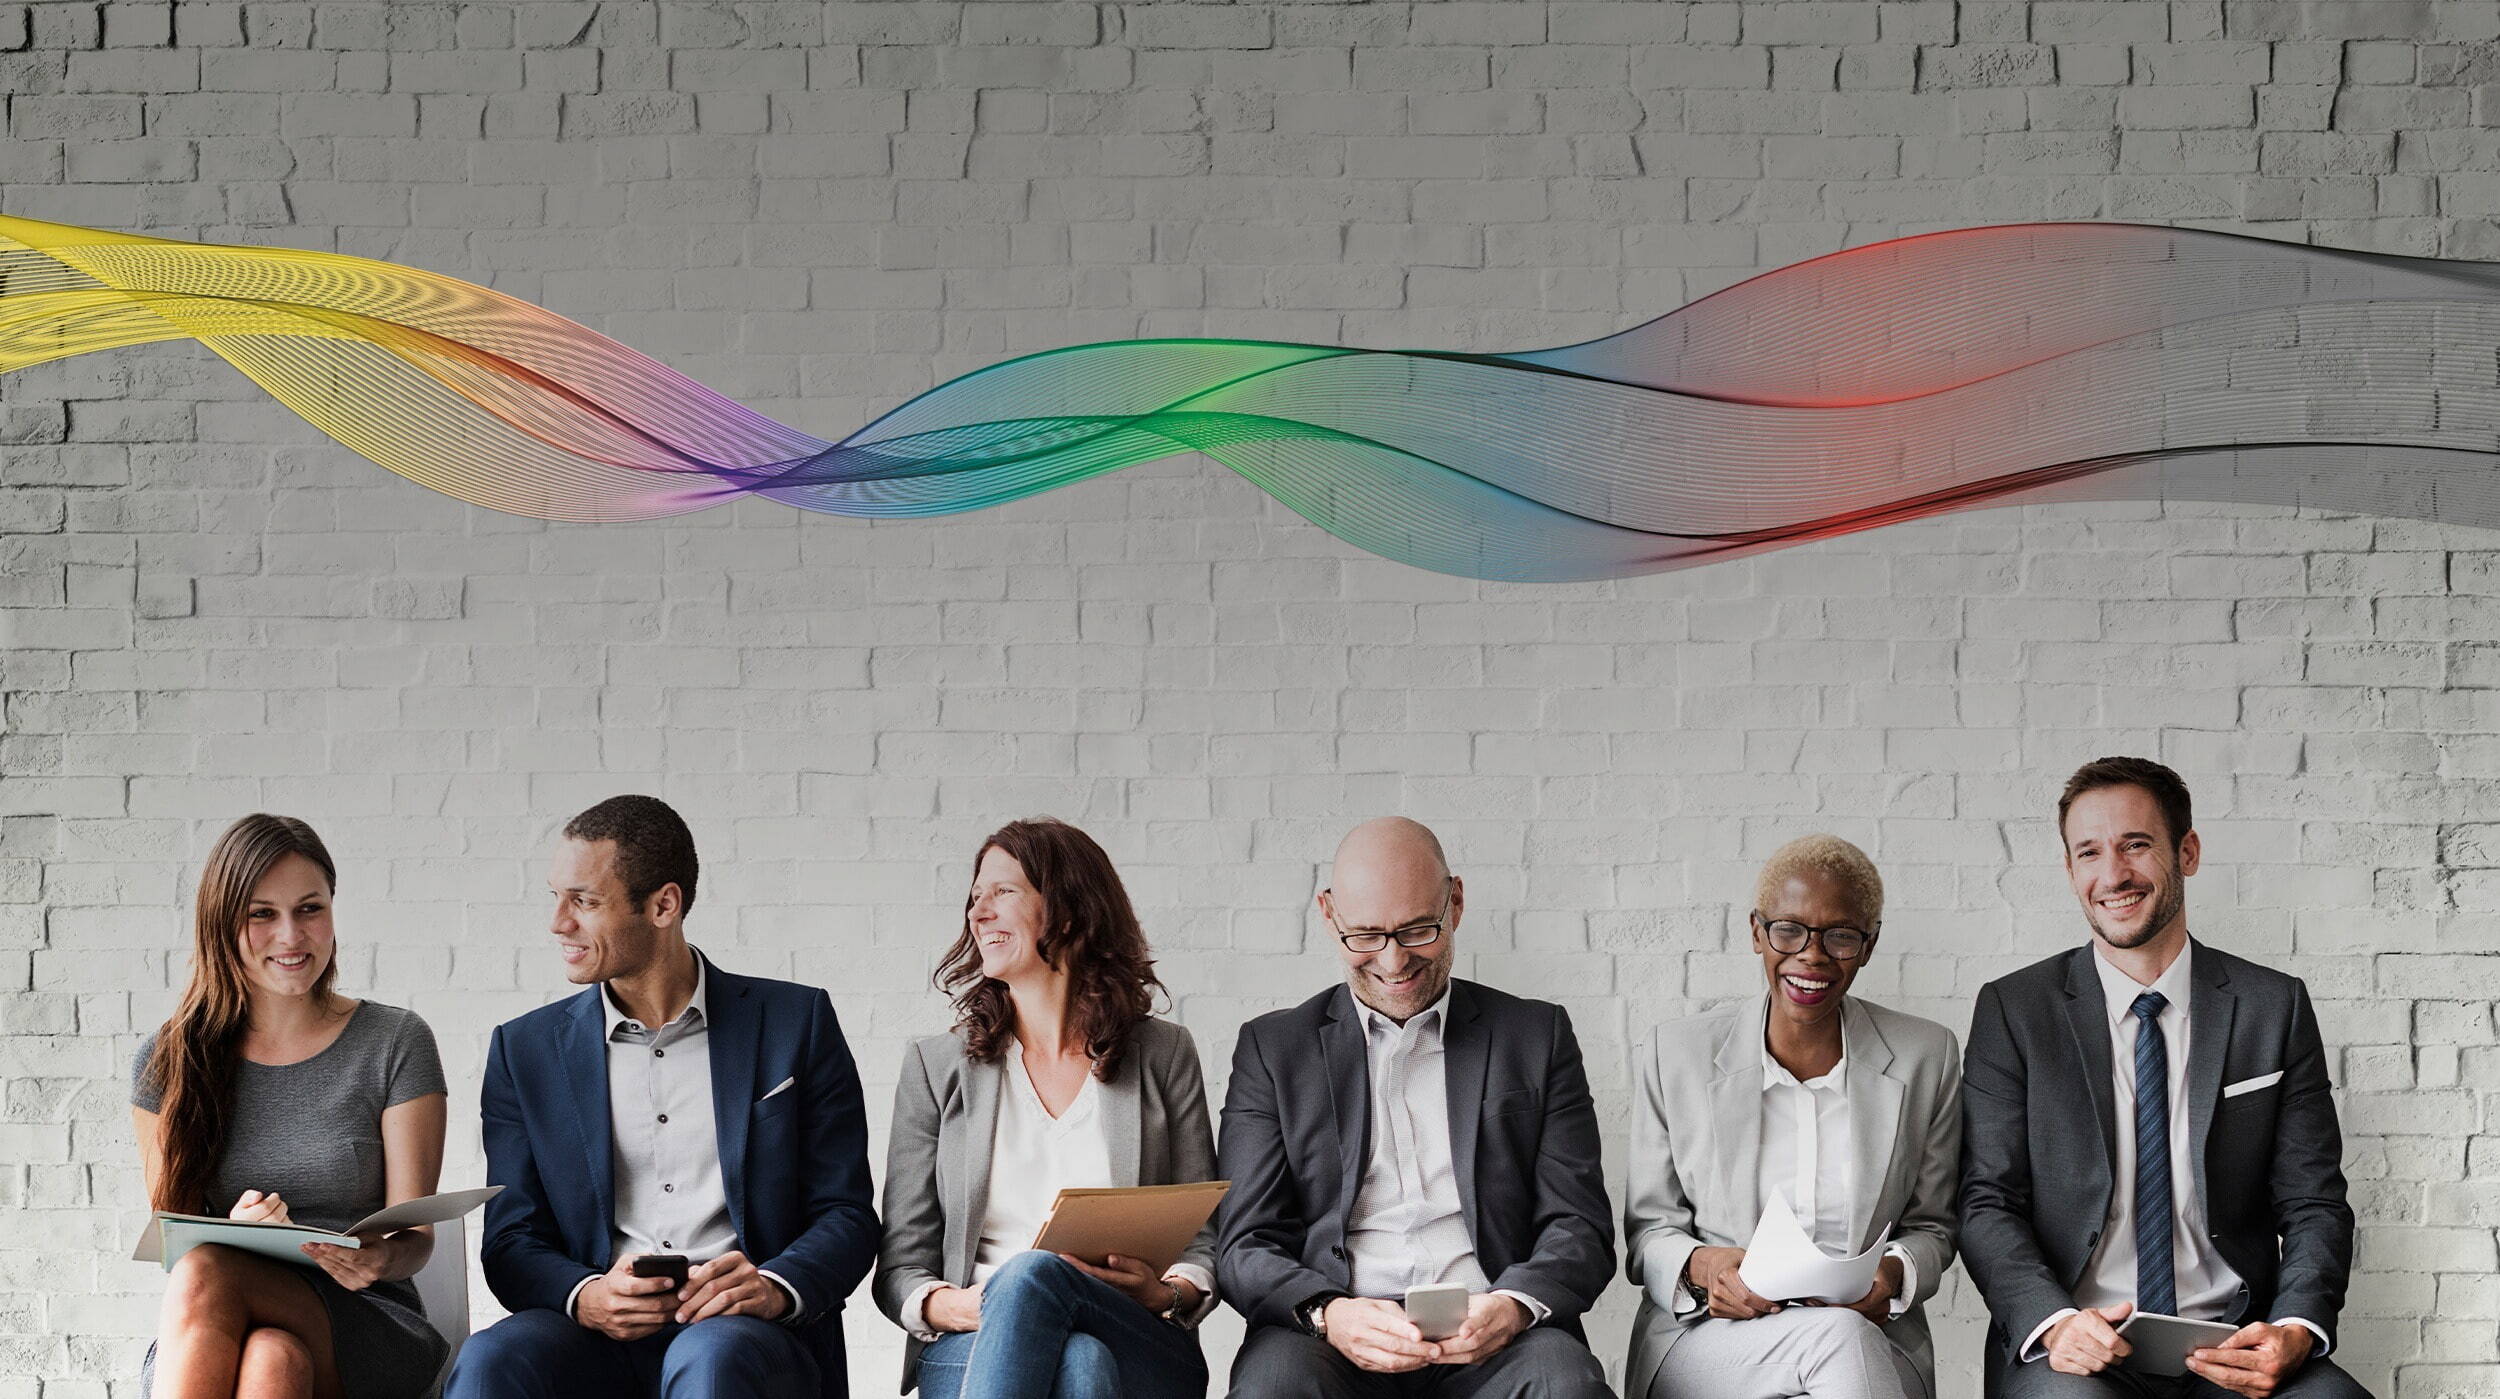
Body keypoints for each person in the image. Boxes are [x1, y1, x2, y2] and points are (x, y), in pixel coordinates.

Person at [1961, 757, 2367, 1399]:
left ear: (2188, 851)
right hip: (2081, 1347)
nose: (2113, 874)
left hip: (2232, 1340)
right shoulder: (2015, 1011)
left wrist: (2293, 1326)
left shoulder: (2272, 1007)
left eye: (2136, 846)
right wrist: (2056, 1323)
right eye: (2089, 853)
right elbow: (1988, 1201)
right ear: (2070, 872)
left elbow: (2313, 1201)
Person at [447, 795, 879, 1399]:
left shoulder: (794, 1021)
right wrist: (587, 1296)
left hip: (743, 1337)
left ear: (663, 905)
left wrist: (774, 1286)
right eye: (557, 897)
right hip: (593, 1337)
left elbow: (847, 1213)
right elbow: (512, 1240)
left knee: (712, 1358)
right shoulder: (525, 1051)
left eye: (585, 902)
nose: (558, 923)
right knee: (493, 1358)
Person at [1216, 817, 1614, 1399]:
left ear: (1455, 902)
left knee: (1567, 1386)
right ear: (1329, 914)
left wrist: (1511, 1306)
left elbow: (1578, 1223)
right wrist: (1330, 1313)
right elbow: (1244, 1241)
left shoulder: (1536, 1034)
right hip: (1331, 1338)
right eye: (1367, 936)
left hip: (1497, 1331)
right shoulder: (1274, 1049)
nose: (1395, 962)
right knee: (1271, 1387)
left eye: (1418, 930)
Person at [874, 817, 1221, 1398]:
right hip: (974, 1339)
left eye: (1002, 891)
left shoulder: (1163, 1054)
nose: (978, 912)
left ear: (1066, 910)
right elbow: (901, 1265)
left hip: (1133, 1334)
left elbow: (1203, 1237)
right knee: (1079, 1363)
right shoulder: (937, 1067)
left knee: (1039, 1279)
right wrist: (958, 1306)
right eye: (975, 896)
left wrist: (1167, 1293)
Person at [1623, 834, 1962, 1399]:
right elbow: (1648, 1231)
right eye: (1789, 930)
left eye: (1841, 936)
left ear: (1869, 945)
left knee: (1841, 1337)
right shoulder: (1675, 1054)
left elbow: (1934, 1225)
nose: (1813, 954)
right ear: (1757, 932)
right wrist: (1704, 1269)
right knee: (1837, 1339)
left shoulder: (1925, 1055)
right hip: (1713, 1338)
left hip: (1871, 1337)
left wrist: (1893, 1275)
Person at [131, 813, 451, 1399]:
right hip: (218, 1320)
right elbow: (172, 1244)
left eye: (310, 909)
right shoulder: (169, 1058)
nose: (291, 936)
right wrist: (231, 1233)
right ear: (221, 924)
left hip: (365, 1318)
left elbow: (417, 1237)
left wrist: (378, 1259)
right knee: (271, 1362)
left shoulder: (394, 1041)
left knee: (209, 1272)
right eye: (262, 914)